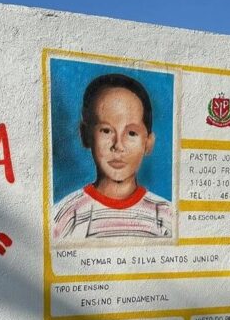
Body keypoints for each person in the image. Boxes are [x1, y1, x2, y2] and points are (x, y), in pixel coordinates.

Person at [52, 73, 173, 241]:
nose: (118, 145)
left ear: (148, 143)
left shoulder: (165, 216)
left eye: (131, 133)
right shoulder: (66, 216)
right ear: (85, 135)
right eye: (106, 130)